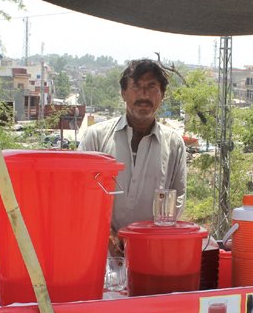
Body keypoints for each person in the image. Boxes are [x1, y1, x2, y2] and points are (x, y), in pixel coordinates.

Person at [79, 58, 187, 253]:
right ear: (123, 93)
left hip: (152, 251)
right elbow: (80, 192)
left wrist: (150, 238)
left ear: (162, 95)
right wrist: (106, 234)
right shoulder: (96, 137)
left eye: (152, 87)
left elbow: (177, 198)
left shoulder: (174, 144)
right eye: (136, 87)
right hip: (100, 251)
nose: (144, 94)